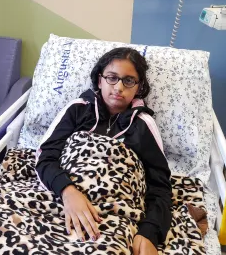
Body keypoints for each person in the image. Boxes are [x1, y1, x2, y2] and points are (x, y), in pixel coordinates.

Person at [36, 47, 172, 255]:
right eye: (112, 78)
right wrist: (68, 192)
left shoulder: (143, 125)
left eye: (128, 81)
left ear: (138, 87)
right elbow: (45, 157)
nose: (118, 87)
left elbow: (159, 187)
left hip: (113, 213)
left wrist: (148, 232)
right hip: (59, 199)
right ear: (99, 80)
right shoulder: (77, 110)